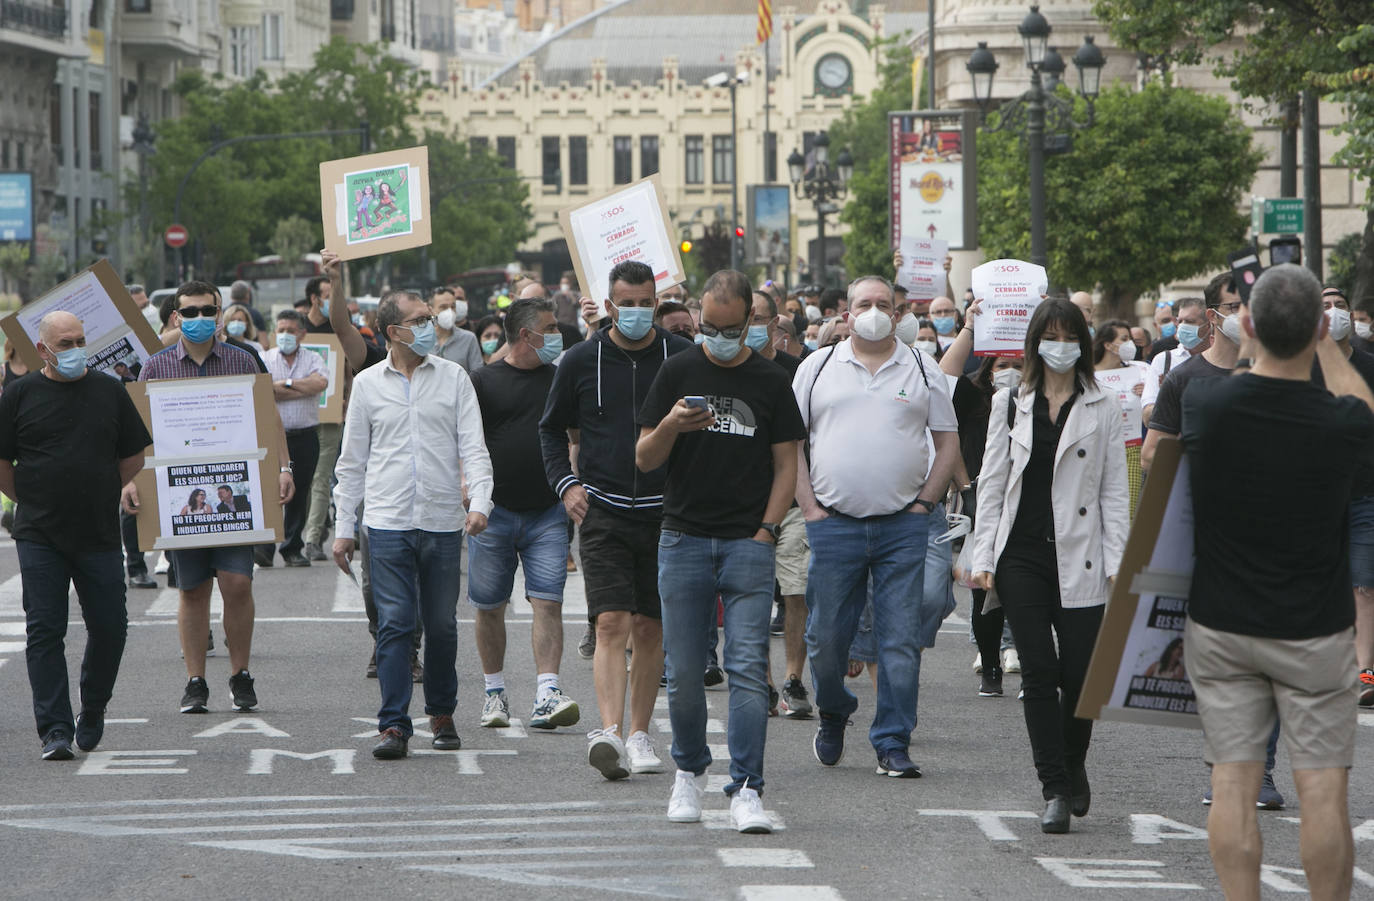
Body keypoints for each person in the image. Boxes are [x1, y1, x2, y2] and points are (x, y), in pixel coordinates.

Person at [1182, 264, 1374, 901]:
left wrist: (1252, 339)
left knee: (1233, 781)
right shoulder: (1340, 421)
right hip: (1316, 627)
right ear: (1322, 327)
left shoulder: (1207, 403)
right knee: (1323, 789)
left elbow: (1231, 378)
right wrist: (1323, 342)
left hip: (1222, 622)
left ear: (1247, 323)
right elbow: (1361, 402)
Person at [636, 269, 805, 833]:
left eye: (733, 328)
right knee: (683, 672)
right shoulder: (678, 368)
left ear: (753, 321)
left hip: (746, 544)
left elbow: (788, 466)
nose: (721, 337)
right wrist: (669, 424)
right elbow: (644, 458)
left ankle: (748, 787)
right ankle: (688, 772)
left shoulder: (771, 380)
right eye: (710, 327)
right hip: (682, 537)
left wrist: (765, 530)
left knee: (748, 671)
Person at [970, 297, 1129, 834]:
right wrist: (982, 555)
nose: (1060, 346)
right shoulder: (1009, 403)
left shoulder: (1104, 405)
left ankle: (1073, 759)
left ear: (1083, 344)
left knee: (1083, 677)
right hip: (1022, 554)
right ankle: (1054, 787)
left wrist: (1118, 563)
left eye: (1070, 336)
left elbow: (1114, 491)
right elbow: (992, 483)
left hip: (1080, 552)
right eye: (1050, 335)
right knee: (1038, 669)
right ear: (1035, 342)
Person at [794, 275, 960, 779]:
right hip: (833, 525)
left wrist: (925, 502)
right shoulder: (817, 366)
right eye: (863, 304)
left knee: (899, 641)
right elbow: (788, 444)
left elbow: (947, 441)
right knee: (824, 639)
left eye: (882, 304)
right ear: (845, 314)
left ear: (898, 312)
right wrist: (809, 507)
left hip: (903, 527)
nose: (873, 311)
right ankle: (834, 709)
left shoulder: (922, 367)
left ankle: (892, 741)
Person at [540, 260, 693, 780]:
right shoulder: (580, 361)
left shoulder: (681, 355)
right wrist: (567, 485)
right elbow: (551, 431)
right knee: (610, 622)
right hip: (602, 508)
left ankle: (640, 734)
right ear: (608, 306)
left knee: (650, 628)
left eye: (643, 302)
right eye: (624, 303)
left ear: (657, 301)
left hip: (668, 513)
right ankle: (607, 731)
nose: (634, 311)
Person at [331, 290, 493, 760]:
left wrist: (481, 501)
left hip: (443, 521)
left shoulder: (454, 378)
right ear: (392, 333)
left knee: (441, 624)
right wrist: (344, 527)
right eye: (419, 320)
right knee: (396, 624)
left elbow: (474, 447)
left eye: (429, 317)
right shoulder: (367, 384)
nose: (430, 325)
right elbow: (351, 462)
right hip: (387, 523)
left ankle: (441, 713)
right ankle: (394, 725)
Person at [129, 281, 295, 715]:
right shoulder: (156, 367)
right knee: (193, 588)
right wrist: (130, 480)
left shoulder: (243, 360)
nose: (201, 318)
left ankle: (240, 674)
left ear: (220, 315)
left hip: (237, 495)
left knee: (238, 583)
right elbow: (135, 433)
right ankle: (195, 681)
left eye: (209, 310)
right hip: (180, 499)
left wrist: (283, 467)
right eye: (191, 311)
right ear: (175, 317)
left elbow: (269, 417)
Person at [0, 311, 151, 760]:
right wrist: (32, 498)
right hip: (40, 534)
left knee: (110, 627)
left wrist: (100, 489)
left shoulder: (109, 390)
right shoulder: (19, 394)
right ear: (43, 350)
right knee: (45, 630)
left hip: (99, 533)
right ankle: (55, 730)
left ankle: (94, 705)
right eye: (65, 343)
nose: (75, 349)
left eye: (81, 340)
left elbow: (133, 456)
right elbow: (4, 465)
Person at [467, 298, 581, 732]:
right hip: (494, 513)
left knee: (548, 601)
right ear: (524, 335)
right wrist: (470, 492)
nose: (557, 336)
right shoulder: (483, 381)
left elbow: (575, 433)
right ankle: (494, 693)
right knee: (490, 605)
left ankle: (546, 692)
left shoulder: (560, 380)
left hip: (548, 512)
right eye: (549, 329)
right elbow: (468, 443)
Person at [937, 300, 1023, 696]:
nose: (1011, 373)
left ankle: (1027, 657)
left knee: (1025, 589)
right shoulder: (973, 398)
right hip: (982, 501)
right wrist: (969, 327)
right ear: (988, 370)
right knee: (984, 587)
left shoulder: (1041, 399)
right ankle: (990, 664)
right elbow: (944, 376)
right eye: (1002, 365)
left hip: (1028, 503)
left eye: (1018, 364)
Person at [1142, 274, 1243, 474]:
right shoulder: (1182, 377)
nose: (1245, 314)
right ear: (1212, 316)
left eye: (1251, 305)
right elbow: (1149, 455)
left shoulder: (1269, 372)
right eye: (1234, 307)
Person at [261, 310, 329, 567]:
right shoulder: (264, 358)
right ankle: (264, 548)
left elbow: (319, 384)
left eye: (291, 330)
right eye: (281, 330)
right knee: (270, 492)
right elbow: (262, 390)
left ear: (302, 334)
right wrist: (299, 386)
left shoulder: (313, 358)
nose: (285, 335)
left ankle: (292, 548)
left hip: (305, 435)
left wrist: (281, 386)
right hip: (273, 438)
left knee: (299, 492)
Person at [1091, 320, 1151, 515]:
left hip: (1131, 448)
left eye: (1130, 339)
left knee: (1127, 511)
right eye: (1124, 339)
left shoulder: (1140, 371)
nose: (1130, 344)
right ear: (1107, 344)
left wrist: (1148, 393)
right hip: (1096, 447)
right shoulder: (1087, 375)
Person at [1141, 297, 1210, 426]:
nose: (1182, 326)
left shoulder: (1221, 358)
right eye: (1180, 321)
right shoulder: (1163, 360)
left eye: (1189, 321)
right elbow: (1147, 416)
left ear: (1208, 325)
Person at [431, 286, 484, 372]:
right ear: (431, 310)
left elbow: (477, 376)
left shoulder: (469, 339)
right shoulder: (421, 339)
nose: (449, 311)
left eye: (453, 306)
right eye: (443, 307)